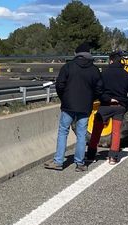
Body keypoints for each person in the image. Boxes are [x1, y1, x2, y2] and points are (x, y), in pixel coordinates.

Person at [44, 42, 104, 172]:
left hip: (68, 105)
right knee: (81, 134)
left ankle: (59, 161)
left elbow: (59, 85)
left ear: (76, 54)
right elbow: (99, 89)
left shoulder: (68, 67)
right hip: (85, 106)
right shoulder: (94, 70)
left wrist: (64, 98)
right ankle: (80, 163)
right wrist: (90, 99)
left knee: (63, 132)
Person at [86, 52, 128, 165]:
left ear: (111, 61)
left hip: (105, 106)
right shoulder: (127, 76)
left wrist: (107, 99)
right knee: (116, 132)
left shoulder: (103, 74)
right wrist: (125, 105)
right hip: (120, 107)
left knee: (96, 131)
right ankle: (113, 157)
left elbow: (97, 91)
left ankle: (91, 155)